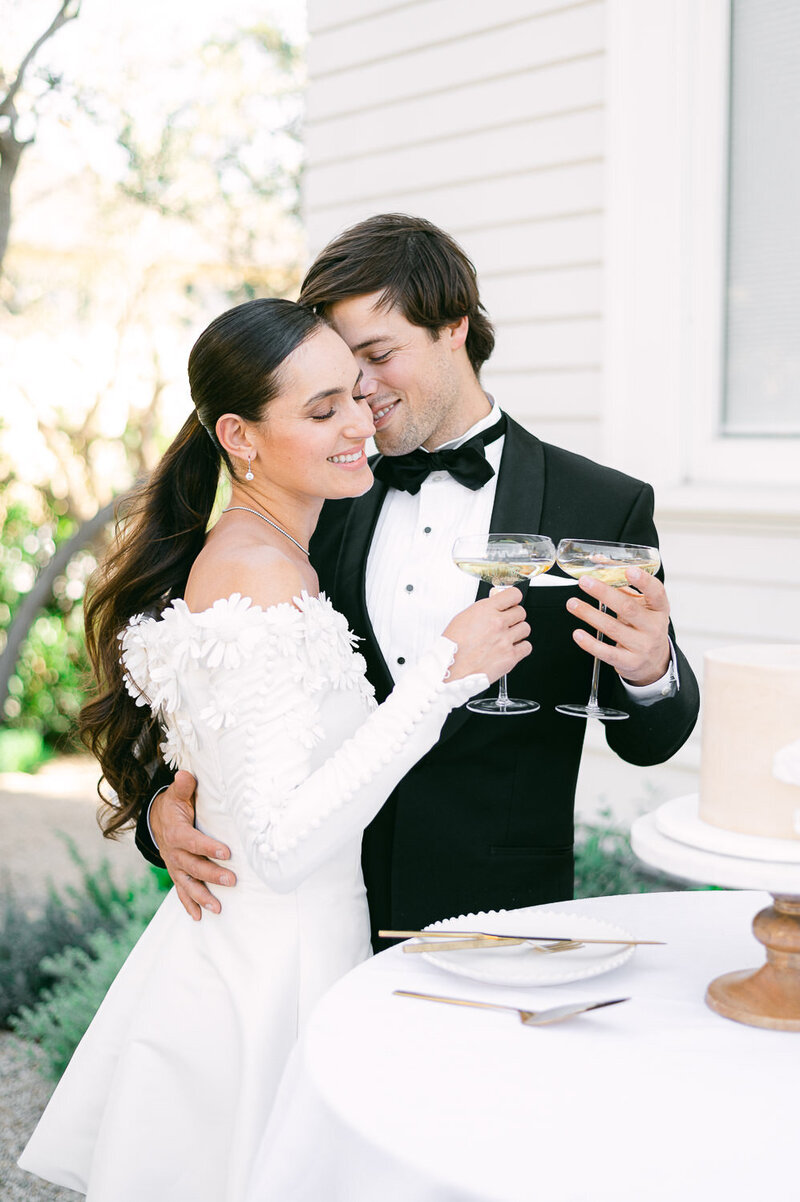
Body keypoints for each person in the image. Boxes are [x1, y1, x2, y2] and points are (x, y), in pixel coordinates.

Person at [18, 298, 529, 1200]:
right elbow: (286, 846)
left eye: (355, 397)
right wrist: (446, 672)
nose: (358, 425)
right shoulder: (257, 572)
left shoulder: (273, 547)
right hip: (273, 973)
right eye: (320, 409)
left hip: (283, 945)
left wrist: (189, 786)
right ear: (238, 437)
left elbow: (254, 759)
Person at [138, 214, 700, 950]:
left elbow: (651, 744)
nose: (360, 392)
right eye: (343, 367)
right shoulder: (312, 497)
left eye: (377, 354)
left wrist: (651, 669)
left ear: (454, 325)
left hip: (502, 918)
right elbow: (205, 681)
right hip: (323, 914)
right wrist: (161, 809)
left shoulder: (598, 505)